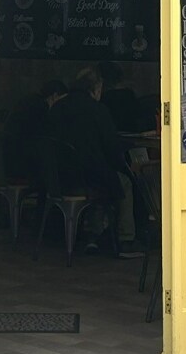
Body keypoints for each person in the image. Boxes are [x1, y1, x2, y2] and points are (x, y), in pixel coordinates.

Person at [45, 66, 142, 256]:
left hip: (57, 180)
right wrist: (126, 167)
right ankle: (126, 239)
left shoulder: (56, 108)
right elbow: (112, 150)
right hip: (89, 179)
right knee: (123, 182)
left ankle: (92, 235)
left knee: (102, 176)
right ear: (96, 88)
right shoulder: (97, 110)